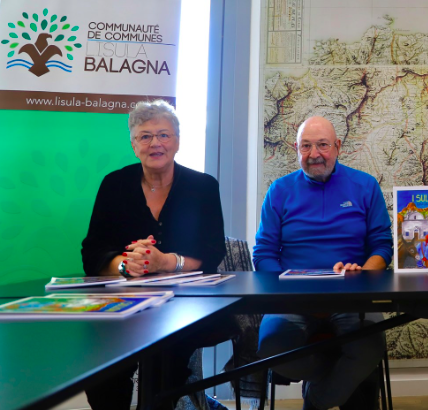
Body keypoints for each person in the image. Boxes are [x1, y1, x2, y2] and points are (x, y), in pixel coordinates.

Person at [80, 99, 226, 410]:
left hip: (182, 305)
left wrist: (165, 262)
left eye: (164, 135)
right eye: (145, 136)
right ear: (134, 145)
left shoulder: (203, 187)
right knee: (103, 376)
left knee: (165, 367)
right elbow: (92, 249)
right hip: (123, 305)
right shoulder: (114, 184)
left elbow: (213, 251)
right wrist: (125, 265)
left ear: (177, 141)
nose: (155, 143)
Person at [254, 116, 393, 410]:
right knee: (273, 347)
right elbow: (264, 252)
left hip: (352, 295)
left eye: (322, 145)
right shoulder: (279, 191)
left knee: (369, 346)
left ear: (338, 146)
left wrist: (364, 275)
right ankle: (338, 381)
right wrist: (286, 290)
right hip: (294, 297)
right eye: (306, 146)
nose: (314, 154)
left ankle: (315, 402)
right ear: (296, 149)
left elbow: (382, 245)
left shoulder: (365, 186)